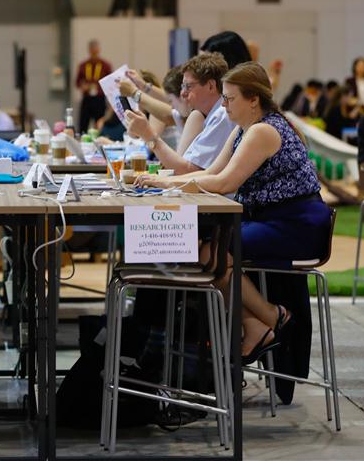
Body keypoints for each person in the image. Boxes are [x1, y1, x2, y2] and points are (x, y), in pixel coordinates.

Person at [137, 62, 332, 363]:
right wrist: (161, 182)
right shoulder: (245, 129)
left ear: (253, 99)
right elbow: (212, 172)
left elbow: (224, 182)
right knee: (205, 251)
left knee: (209, 252)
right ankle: (258, 324)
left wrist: (163, 182)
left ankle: (271, 317)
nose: (224, 105)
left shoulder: (263, 131)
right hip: (274, 219)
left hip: (296, 224)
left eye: (230, 98)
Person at [124, 52, 235, 173]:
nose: (183, 93)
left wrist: (148, 135)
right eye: (183, 86)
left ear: (210, 86)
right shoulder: (211, 114)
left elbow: (188, 171)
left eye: (188, 86)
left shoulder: (221, 115)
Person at [75, 39, 113, 133]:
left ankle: (100, 141)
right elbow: (77, 82)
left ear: (99, 50)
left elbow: (110, 82)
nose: (94, 52)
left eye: (96, 50)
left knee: (100, 124)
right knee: (83, 125)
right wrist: (83, 86)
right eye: (92, 50)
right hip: (87, 98)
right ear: (89, 50)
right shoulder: (83, 65)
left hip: (99, 99)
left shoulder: (105, 65)